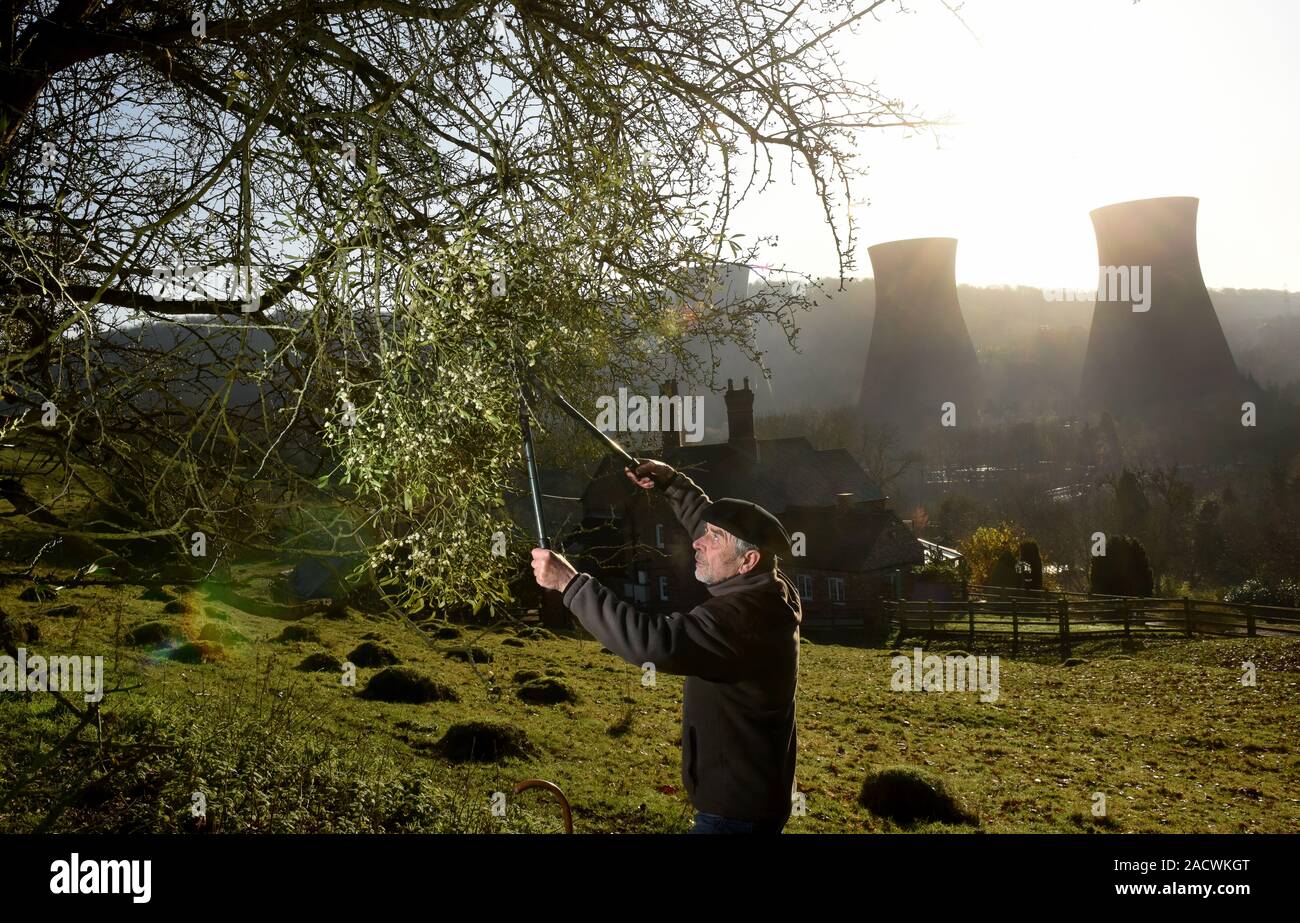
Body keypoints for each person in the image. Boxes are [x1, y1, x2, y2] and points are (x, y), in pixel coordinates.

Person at [530, 459, 801, 834]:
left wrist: (569, 584)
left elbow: (651, 642)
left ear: (747, 560)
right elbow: (715, 530)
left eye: (713, 538)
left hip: (732, 817)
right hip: (751, 803)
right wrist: (671, 483)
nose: (698, 542)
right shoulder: (769, 588)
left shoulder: (740, 621)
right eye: (705, 531)